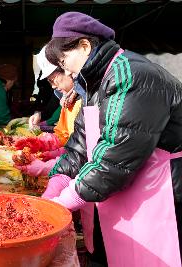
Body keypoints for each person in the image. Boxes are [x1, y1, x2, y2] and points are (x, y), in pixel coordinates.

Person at [43, 12, 182, 266]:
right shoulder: (95, 83)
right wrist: (56, 182)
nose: (66, 72)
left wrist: (65, 200)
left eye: (64, 62)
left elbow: (115, 156)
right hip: (120, 189)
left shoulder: (132, 75)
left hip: (160, 194)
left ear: (85, 46)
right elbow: (80, 143)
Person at [15, 45, 83, 177]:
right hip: (70, 165)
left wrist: (49, 164)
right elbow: (63, 136)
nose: (52, 86)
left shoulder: (85, 102)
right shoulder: (67, 100)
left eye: (53, 80)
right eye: (49, 81)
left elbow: (83, 150)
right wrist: (45, 144)